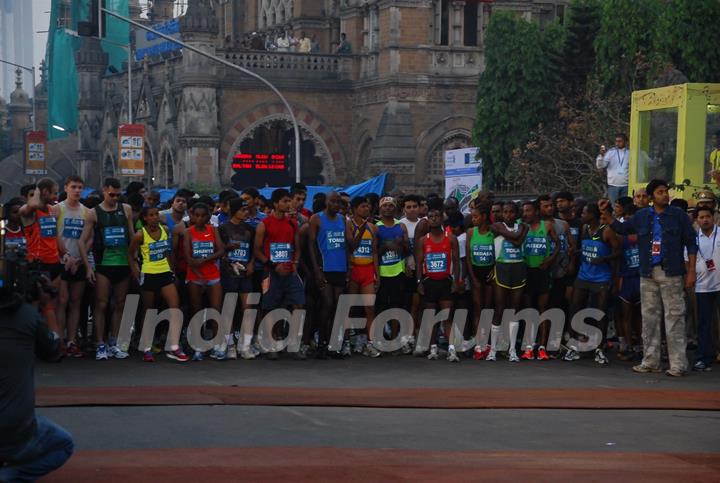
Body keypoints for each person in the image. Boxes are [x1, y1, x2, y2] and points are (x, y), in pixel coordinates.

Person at [607, 179, 697, 377]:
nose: (665, 194)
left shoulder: (678, 215)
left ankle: (678, 364)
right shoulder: (641, 216)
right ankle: (650, 361)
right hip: (647, 271)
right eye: (660, 192)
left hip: (672, 271)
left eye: (665, 191)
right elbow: (622, 229)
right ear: (651, 197)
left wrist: (691, 271)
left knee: (674, 317)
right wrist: (606, 215)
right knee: (649, 317)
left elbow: (691, 242)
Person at [0, 287, 74, 481]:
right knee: (64, 444)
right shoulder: (27, 316)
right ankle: (10, 476)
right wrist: (48, 307)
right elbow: (54, 350)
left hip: (13, 425)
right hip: (15, 428)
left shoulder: (26, 315)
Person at [78, 177, 135, 361]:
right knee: (101, 304)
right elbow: (82, 241)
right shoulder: (93, 213)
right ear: (104, 191)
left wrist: (135, 263)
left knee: (120, 304)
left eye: (118, 195)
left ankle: (114, 343)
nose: (115, 198)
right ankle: (100, 344)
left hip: (123, 264)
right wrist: (88, 267)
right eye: (112, 194)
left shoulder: (125, 209)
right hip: (103, 264)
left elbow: (133, 238)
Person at [253, 189, 305, 359]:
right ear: (275, 204)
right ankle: (273, 343)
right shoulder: (264, 224)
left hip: (290, 272)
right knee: (270, 308)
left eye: (289, 201)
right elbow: (257, 250)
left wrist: (295, 263)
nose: (288, 204)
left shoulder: (292, 224)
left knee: (298, 306)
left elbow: (297, 247)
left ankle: (293, 343)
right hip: (271, 272)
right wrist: (272, 266)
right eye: (284, 201)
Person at [566, 203, 620, 364]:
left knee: (600, 313)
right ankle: (575, 347)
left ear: (592, 215)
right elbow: (586, 249)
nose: (580, 215)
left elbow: (618, 252)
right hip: (583, 276)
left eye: (583, 213)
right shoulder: (585, 230)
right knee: (575, 309)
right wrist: (575, 252)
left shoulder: (607, 231)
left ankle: (599, 349)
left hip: (601, 277)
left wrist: (604, 259)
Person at [308, 191, 352, 358]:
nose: (335, 204)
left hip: (340, 268)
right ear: (326, 202)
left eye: (338, 202)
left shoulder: (343, 220)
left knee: (336, 307)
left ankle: (333, 344)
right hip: (324, 268)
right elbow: (311, 246)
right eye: (332, 201)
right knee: (327, 303)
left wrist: (348, 268)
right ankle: (321, 343)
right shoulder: (316, 219)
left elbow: (349, 245)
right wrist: (316, 270)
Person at [416, 204, 461, 362]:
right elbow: (419, 261)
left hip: (446, 281)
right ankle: (433, 348)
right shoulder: (423, 240)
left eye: (436, 216)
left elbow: (456, 262)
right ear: (428, 220)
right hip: (429, 282)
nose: (434, 219)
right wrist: (419, 282)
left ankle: (451, 349)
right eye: (431, 217)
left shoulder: (451, 238)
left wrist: (456, 280)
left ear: (442, 219)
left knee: (447, 317)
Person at [19, 178, 63, 336]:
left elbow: (55, 236)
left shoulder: (52, 210)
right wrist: (37, 189)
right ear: (44, 192)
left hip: (55, 262)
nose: (57, 196)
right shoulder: (29, 211)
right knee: (39, 304)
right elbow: (29, 207)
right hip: (39, 264)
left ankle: (55, 342)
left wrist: (66, 255)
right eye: (54, 192)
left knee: (53, 304)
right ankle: (42, 342)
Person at [184, 202, 225, 361]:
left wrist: (205, 259)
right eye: (197, 215)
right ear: (192, 216)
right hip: (195, 276)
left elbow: (221, 250)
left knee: (216, 310)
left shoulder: (213, 230)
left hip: (213, 275)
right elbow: (188, 257)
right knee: (197, 311)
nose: (200, 219)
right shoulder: (188, 232)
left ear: (209, 216)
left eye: (203, 215)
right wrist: (198, 272)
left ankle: (217, 345)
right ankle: (198, 346)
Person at [488, 202, 528, 362]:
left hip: (518, 269)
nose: (508, 215)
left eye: (512, 212)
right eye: (505, 212)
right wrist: (517, 233)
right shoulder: (496, 226)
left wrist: (516, 234)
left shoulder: (523, 226)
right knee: (499, 309)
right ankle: (493, 349)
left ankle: (512, 350)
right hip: (502, 269)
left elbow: (518, 243)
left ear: (516, 213)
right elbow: (516, 239)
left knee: (514, 310)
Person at [520, 199, 559, 361]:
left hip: (543, 271)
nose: (525, 214)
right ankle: (529, 346)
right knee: (529, 310)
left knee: (543, 309)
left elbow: (558, 245)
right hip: (527, 271)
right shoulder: (522, 227)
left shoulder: (547, 226)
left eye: (528, 211)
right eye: (524, 211)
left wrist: (550, 259)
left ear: (536, 211)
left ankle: (542, 347)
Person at [219, 198, 256, 360]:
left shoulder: (249, 228)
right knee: (229, 309)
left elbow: (255, 249)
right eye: (242, 210)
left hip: (245, 272)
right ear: (234, 211)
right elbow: (217, 250)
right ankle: (230, 345)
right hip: (229, 273)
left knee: (247, 308)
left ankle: (245, 346)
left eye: (247, 209)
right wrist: (228, 248)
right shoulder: (222, 229)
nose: (246, 212)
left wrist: (252, 264)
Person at [57, 175, 90, 358]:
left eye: (80, 187)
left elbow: (89, 238)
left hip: (79, 262)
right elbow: (54, 235)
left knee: (75, 302)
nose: (77, 190)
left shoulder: (87, 212)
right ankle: (59, 338)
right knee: (62, 301)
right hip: (62, 261)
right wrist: (65, 255)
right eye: (74, 187)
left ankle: (71, 340)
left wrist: (79, 259)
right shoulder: (57, 209)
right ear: (66, 188)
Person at [374, 196, 410, 357]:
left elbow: (407, 249)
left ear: (395, 208)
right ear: (380, 209)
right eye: (385, 206)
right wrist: (386, 246)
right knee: (381, 307)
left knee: (397, 306)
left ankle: (396, 340)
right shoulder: (376, 227)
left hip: (398, 272)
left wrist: (401, 243)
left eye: (391, 205)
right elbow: (374, 253)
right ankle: (380, 340)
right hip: (382, 272)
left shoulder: (401, 226)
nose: (388, 208)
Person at [347, 196, 380, 355]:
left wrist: (377, 275)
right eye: (363, 206)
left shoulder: (373, 228)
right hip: (354, 269)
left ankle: (370, 342)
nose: (367, 209)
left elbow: (374, 252)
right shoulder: (348, 224)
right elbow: (350, 247)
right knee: (351, 307)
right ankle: (349, 341)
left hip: (367, 270)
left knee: (369, 307)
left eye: (368, 206)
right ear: (354, 209)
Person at [691, 205, 719, 372]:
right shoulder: (693, 239)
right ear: (697, 220)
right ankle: (703, 357)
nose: (705, 219)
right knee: (704, 324)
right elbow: (687, 261)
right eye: (701, 217)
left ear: (713, 217)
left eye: (707, 216)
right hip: (702, 287)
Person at [466, 203, 495, 359]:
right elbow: (469, 258)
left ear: (484, 217)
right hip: (476, 273)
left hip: (490, 274)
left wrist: (494, 271)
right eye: (472, 216)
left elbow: (499, 252)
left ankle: (487, 342)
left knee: (488, 308)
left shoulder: (493, 232)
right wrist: (473, 278)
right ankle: (478, 343)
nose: (473, 219)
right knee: (477, 308)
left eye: (476, 216)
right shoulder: (471, 232)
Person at [596, 133, 629, 203]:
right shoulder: (611, 152)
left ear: (625, 142)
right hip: (613, 186)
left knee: (626, 207)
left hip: (626, 185)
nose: (617, 143)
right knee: (614, 207)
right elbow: (600, 166)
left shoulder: (630, 153)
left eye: (620, 141)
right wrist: (601, 156)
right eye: (616, 141)